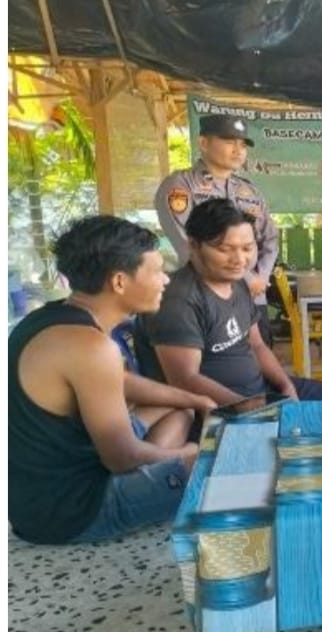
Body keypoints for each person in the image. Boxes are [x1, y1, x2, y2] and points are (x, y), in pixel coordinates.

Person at [9, 216, 217, 545]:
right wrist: (189, 453)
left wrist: (195, 400)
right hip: (71, 510)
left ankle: (156, 477)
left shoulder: (49, 319)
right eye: (157, 271)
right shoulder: (91, 347)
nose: (165, 280)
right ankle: (161, 480)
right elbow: (121, 457)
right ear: (119, 281)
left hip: (35, 497)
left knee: (179, 410)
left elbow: (118, 381)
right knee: (216, 464)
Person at [137, 198, 322, 403]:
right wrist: (246, 407)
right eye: (224, 249)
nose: (239, 260)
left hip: (259, 391)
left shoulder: (237, 284)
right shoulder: (178, 300)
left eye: (247, 248)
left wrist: (286, 386)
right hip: (218, 408)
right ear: (193, 245)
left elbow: (257, 345)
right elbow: (185, 380)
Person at [154, 113, 280, 344]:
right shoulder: (181, 186)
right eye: (229, 142)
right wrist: (246, 278)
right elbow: (187, 243)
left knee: (259, 357)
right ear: (204, 143)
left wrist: (260, 278)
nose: (238, 150)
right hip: (204, 296)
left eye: (243, 145)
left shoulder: (250, 191)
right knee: (218, 361)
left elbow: (269, 239)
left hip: (253, 298)